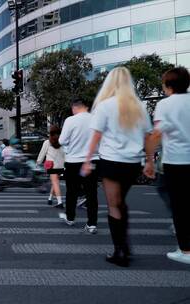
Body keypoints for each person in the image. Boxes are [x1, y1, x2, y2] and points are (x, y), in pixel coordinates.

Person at [82, 67, 152, 267]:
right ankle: (125, 245)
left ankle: (119, 251)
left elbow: (95, 136)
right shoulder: (138, 106)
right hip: (132, 164)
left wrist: (87, 161)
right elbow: (148, 136)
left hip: (111, 161)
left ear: (110, 83)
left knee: (114, 205)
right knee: (121, 202)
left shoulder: (105, 105)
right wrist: (149, 161)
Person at [144, 67, 190, 265]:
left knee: (180, 207)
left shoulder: (165, 104)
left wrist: (149, 159)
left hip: (176, 161)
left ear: (168, 85)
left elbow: (156, 134)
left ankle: (186, 251)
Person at [59, 99, 99, 233]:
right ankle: (92, 224)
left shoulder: (70, 120)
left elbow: (62, 140)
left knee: (72, 191)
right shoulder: (95, 119)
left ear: (74, 108)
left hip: (73, 161)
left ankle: (70, 218)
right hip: (92, 161)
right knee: (92, 193)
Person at [37, 126, 65, 208]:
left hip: (51, 166)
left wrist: (38, 162)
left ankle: (60, 202)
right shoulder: (62, 142)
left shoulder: (47, 142)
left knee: (55, 182)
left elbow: (42, 153)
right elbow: (65, 154)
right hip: (61, 165)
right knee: (55, 182)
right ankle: (50, 198)